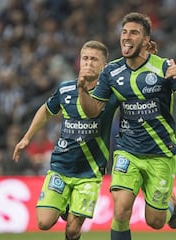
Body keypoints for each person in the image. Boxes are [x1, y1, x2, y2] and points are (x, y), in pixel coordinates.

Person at [77, 12, 176, 240]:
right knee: (120, 210)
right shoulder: (111, 72)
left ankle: (168, 203)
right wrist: (82, 89)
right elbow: (92, 112)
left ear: (146, 40)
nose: (126, 37)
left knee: (155, 222)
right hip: (128, 150)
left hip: (161, 153)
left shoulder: (163, 67)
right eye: (124, 32)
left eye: (134, 33)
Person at [12, 40, 118, 240]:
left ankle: (70, 213)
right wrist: (27, 138)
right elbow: (46, 110)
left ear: (104, 66)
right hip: (61, 167)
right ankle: (66, 205)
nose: (88, 63)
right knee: (43, 222)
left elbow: (92, 113)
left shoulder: (110, 94)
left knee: (72, 230)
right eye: (85, 58)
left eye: (94, 59)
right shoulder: (65, 89)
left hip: (90, 172)